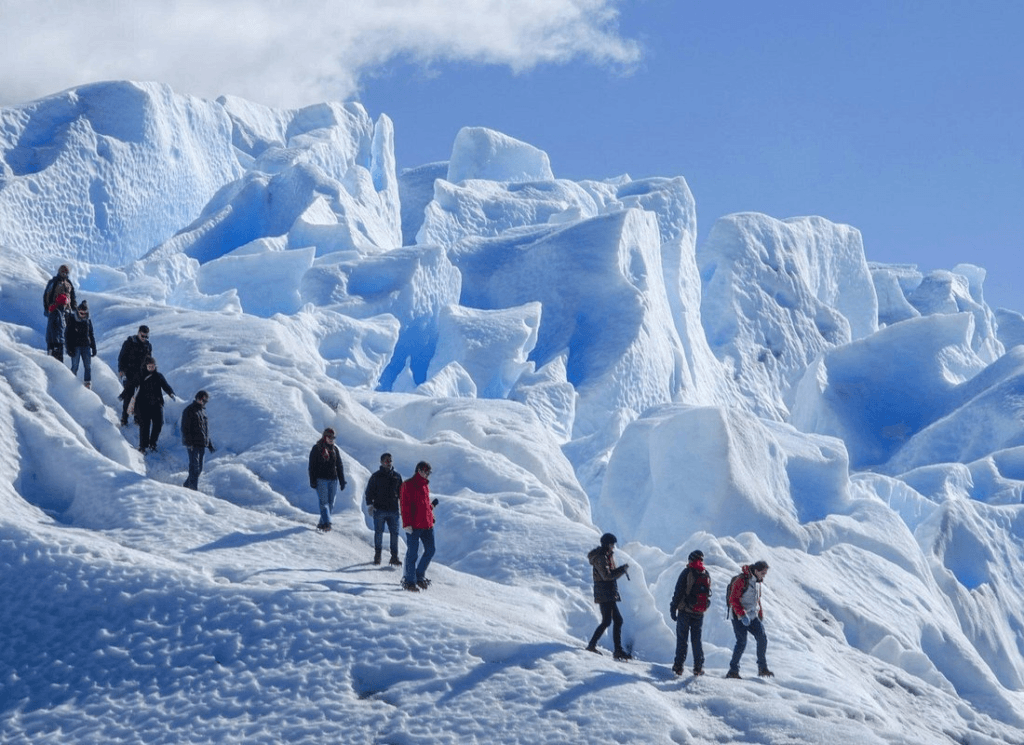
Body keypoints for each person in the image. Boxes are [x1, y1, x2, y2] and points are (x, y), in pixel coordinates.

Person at [586, 532, 632, 660]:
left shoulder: (605, 556)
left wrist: (620, 570)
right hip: (605, 594)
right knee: (610, 621)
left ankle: (615, 649)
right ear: (607, 545)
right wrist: (622, 570)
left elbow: (609, 574)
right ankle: (598, 646)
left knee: (614, 620)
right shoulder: (601, 558)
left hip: (607, 594)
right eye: (612, 545)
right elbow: (607, 576)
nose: (613, 547)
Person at [726, 560, 773, 679]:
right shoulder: (741, 580)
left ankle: (762, 669)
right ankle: (733, 671)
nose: (764, 576)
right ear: (756, 571)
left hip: (752, 616)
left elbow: (757, 600)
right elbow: (733, 599)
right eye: (763, 573)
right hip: (738, 616)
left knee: (762, 639)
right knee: (741, 642)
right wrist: (742, 615)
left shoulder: (757, 582)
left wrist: (760, 614)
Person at [670, 549, 712, 676]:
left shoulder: (687, 572)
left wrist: (673, 608)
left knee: (682, 640)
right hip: (699, 613)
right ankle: (698, 667)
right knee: (696, 640)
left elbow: (678, 592)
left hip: (685, 611)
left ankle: (678, 667)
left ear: (690, 560)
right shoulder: (705, 573)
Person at [400, 461, 438, 591]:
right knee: (412, 553)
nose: (428, 474)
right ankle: (409, 581)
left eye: (429, 472)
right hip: (414, 526)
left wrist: (431, 516)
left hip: (427, 525)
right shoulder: (408, 484)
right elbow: (404, 506)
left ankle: (419, 575)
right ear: (419, 470)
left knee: (430, 550)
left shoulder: (425, 486)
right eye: (425, 470)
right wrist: (406, 524)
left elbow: (426, 505)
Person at [365, 452, 403, 566]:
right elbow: (369, 491)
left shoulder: (397, 476)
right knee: (378, 533)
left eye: (390, 460)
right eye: (386, 460)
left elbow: (402, 493)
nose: (388, 462)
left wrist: (403, 506)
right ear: (381, 462)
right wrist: (370, 505)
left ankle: (394, 557)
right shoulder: (375, 476)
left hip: (394, 510)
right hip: (379, 510)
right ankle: (377, 556)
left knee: (395, 534)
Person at [133, 356, 175, 453]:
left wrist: (170, 393)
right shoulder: (141, 376)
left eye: (153, 366)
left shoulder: (158, 376)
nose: (152, 368)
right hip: (144, 406)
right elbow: (135, 391)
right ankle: (143, 446)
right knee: (145, 426)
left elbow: (165, 385)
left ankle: (152, 443)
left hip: (157, 404)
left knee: (158, 424)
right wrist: (136, 410)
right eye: (149, 366)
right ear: (146, 366)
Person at [308, 428, 347, 531]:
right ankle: (327, 522)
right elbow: (312, 466)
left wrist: (342, 480)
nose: (332, 439)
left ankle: (322, 524)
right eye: (330, 437)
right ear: (324, 437)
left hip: (333, 480)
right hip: (321, 480)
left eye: (333, 437)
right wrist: (312, 480)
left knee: (331, 503)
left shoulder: (335, 449)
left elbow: (339, 465)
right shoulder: (317, 448)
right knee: (324, 502)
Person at [117, 325, 152, 426]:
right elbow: (121, 358)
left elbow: (149, 360)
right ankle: (124, 418)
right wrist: (121, 371)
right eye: (142, 336)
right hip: (129, 373)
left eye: (146, 337)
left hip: (141, 375)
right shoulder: (129, 343)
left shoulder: (148, 346)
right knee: (129, 396)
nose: (144, 338)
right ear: (138, 333)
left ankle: (137, 417)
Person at [181, 390, 215, 490]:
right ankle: (193, 490)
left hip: (201, 444)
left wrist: (209, 443)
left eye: (205, 401)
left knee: (199, 469)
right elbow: (185, 428)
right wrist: (189, 442)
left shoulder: (203, 411)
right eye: (201, 399)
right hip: (192, 444)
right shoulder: (189, 410)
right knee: (194, 468)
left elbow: (205, 429)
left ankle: (186, 485)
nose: (202, 402)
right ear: (197, 398)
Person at [65, 299, 97, 388]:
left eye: (84, 313)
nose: (82, 315)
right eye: (80, 313)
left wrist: (93, 347)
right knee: (75, 366)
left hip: (86, 346)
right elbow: (67, 335)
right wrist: (69, 348)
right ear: (78, 311)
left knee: (88, 366)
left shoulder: (87, 321)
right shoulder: (72, 319)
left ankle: (87, 383)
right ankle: (71, 383)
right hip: (75, 346)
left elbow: (91, 334)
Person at [45, 293, 72, 362]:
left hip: (58, 342)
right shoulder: (56, 313)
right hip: (56, 344)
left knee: (59, 362)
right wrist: (55, 345)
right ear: (63, 303)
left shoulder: (61, 313)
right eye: (66, 303)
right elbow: (53, 328)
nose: (67, 305)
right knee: (56, 363)